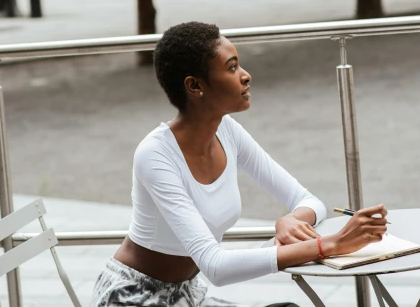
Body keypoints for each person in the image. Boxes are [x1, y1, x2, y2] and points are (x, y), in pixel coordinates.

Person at [91, 22, 389, 307]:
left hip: (188, 295)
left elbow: (309, 201)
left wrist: (292, 219)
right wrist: (330, 245)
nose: (246, 76)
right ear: (195, 86)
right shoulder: (154, 155)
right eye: (231, 68)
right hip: (132, 297)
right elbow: (216, 267)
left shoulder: (227, 131)